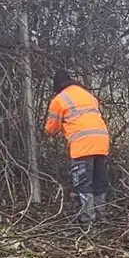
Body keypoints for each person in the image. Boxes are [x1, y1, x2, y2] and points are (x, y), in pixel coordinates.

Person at [44, 69, 110, 226]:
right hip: (102, 142)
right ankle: (102, 218)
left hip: (82, 145)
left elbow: (51, 129)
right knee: (99, 181)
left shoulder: (59, 99)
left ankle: (88, 221)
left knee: (83, 183)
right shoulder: (88, 95)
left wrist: (46, 132)